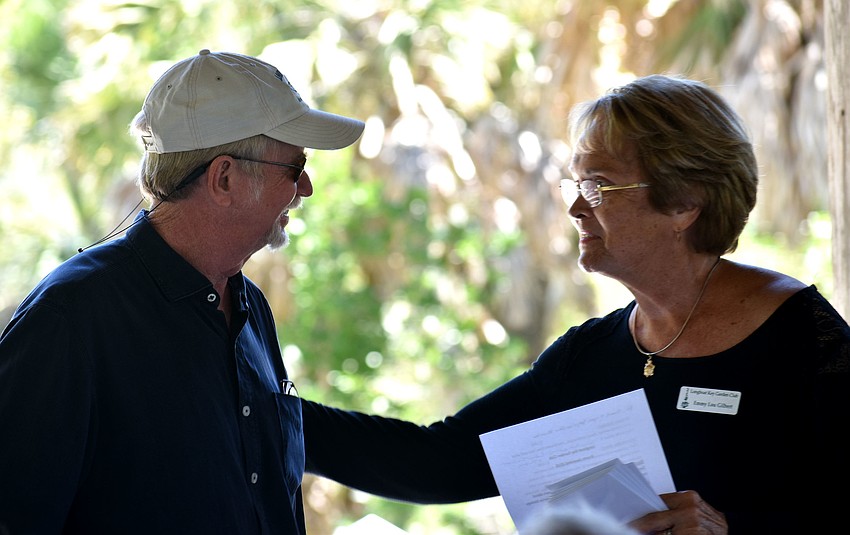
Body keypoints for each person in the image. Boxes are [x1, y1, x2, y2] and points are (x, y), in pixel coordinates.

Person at [301, 74, 850, 534]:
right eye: (577, 184)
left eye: (598, 187)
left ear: (685, 202)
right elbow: (437, 463)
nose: (573, 207)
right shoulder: (590, 356)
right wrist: (258, 408)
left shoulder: (806, 339)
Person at [0, 49, 364, 534]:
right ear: (225, 178)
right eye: (294, 168)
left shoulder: (249, 304)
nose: (306, 188)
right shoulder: (74, 317)